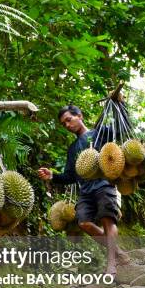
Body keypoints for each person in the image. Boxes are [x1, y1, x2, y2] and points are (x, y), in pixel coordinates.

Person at [37, 105, 128, 275]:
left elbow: (120, 129)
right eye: (64, 124)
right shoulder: (72, 149)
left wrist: (119, 104)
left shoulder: (99, 133)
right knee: (84, 223)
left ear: (80, 115)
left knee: (108, 220)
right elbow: (70, 176)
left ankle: (112, 264)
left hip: (105, 183)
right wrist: (52, 176)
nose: (67, 125)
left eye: (69, 120)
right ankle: (119, 253)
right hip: (85, 191)